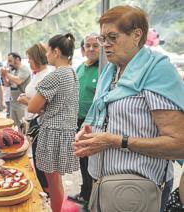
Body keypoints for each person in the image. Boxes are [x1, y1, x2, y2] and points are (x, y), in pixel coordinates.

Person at [73, 6, 184, 212]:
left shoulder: (156, 71)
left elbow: (179, 143)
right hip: (103, 184)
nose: (105, 45)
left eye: (112, 37)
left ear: (136, 35)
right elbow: (103, 114)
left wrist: (116, 141)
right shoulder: (111, 71)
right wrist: (88, 132)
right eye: (102, 38)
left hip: (137, 191)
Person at [28, 33, 80, 212]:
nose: (47, 55)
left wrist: (24, 100)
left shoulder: (55, 76)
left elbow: (33, 107)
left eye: (48, 51)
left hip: (52, 131)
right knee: (55, 180)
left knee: (52, 180)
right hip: (65, 130)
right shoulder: (72, 73)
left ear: (56, 52)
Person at [68, 33, 99, 209]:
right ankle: (85, 193)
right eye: (88, 45)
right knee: (83, 161)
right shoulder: (80, 68)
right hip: (77, 122)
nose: (92, 49)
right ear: (83, 49)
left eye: (95, 45)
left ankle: (92, 198)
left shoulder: (104, 69)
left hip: (93, 125)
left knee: (92, 163)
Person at [17, 43, 51, 193]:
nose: (28, 61)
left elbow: (46, 106)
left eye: (30, 58)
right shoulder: (36, 74)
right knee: (36, 159)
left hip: (41, 122)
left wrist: (26, 101)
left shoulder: (48, 75)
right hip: (32, 121)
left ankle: (45, 191)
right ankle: (41, 188)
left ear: (37, 58)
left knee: (40, 161)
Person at [0, 52, 31, 127]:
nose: (9, 63)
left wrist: (6, 74)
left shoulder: (24, 69)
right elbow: (7, 84)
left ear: (17, 60)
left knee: (23, 127)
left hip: (22, 104)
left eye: (10, 61)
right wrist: (4, 76)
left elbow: (18, 81)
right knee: (14, 126)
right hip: (13, 103)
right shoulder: (12, 70)